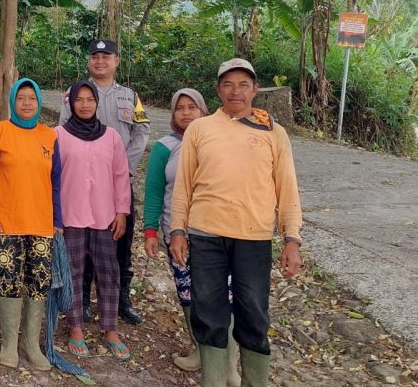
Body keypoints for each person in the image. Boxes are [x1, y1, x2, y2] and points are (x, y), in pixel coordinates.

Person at [169, 59, 303, 387]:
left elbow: (287, 186)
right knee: (209, 313)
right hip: (205, 236)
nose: (236, 91)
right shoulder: (200, 129)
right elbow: (184, 184)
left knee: (254, 316)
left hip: (253, 238)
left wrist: (291, 239)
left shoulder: (273, 132)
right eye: (228, 84)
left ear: (255, 90)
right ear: (218, 90)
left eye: (244, 84)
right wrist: (177, 230)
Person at [143, 88, 239, 384]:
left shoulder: (219, 141)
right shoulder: (164, 146)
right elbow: (154, 192)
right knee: (188, 295)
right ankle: (199, 350)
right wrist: (150, 231)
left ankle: (229, 366)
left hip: (217, 232)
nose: (186, 113)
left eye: (192, 107)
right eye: (179, 108)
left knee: (225, 297)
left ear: (203, 110)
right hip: (177, 234)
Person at [59, 39, 149, 325]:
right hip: (80, 185)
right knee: (80, 240)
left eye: (106, 56)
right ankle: (82, 299)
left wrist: (124, 169)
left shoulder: (131, 96)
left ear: (116, 61)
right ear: (89, 62)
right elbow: (62, 133)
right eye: (95, 57)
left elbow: (142, 132)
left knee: (119, 240)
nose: (100, 61)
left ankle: (121, 299)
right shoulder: (74, 94)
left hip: (119, 183)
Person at [0, 78, 61, 371]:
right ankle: (9, 344)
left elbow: (56, 182)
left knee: (38, 284)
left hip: (41, 223)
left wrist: (58, 220)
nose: (27, 103)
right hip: (7, 222)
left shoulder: (49, 136)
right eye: (21, 98)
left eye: (32, 98)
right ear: (13, 101)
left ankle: (32, 344)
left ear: (39, 102)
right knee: (8, 281)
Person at [58, 80, 132, 360]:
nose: (85, 104)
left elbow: (120, 175)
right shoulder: (59, 135)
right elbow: (53, 178)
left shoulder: (111, 136)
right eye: (80, 100)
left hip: (104, 216)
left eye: (90, 99)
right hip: (71, 215)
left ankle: (110, 328)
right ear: (71, 103)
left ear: (97, 104)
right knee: (73, 272)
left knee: (108, 272)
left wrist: (121, 211)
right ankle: (75, 326)